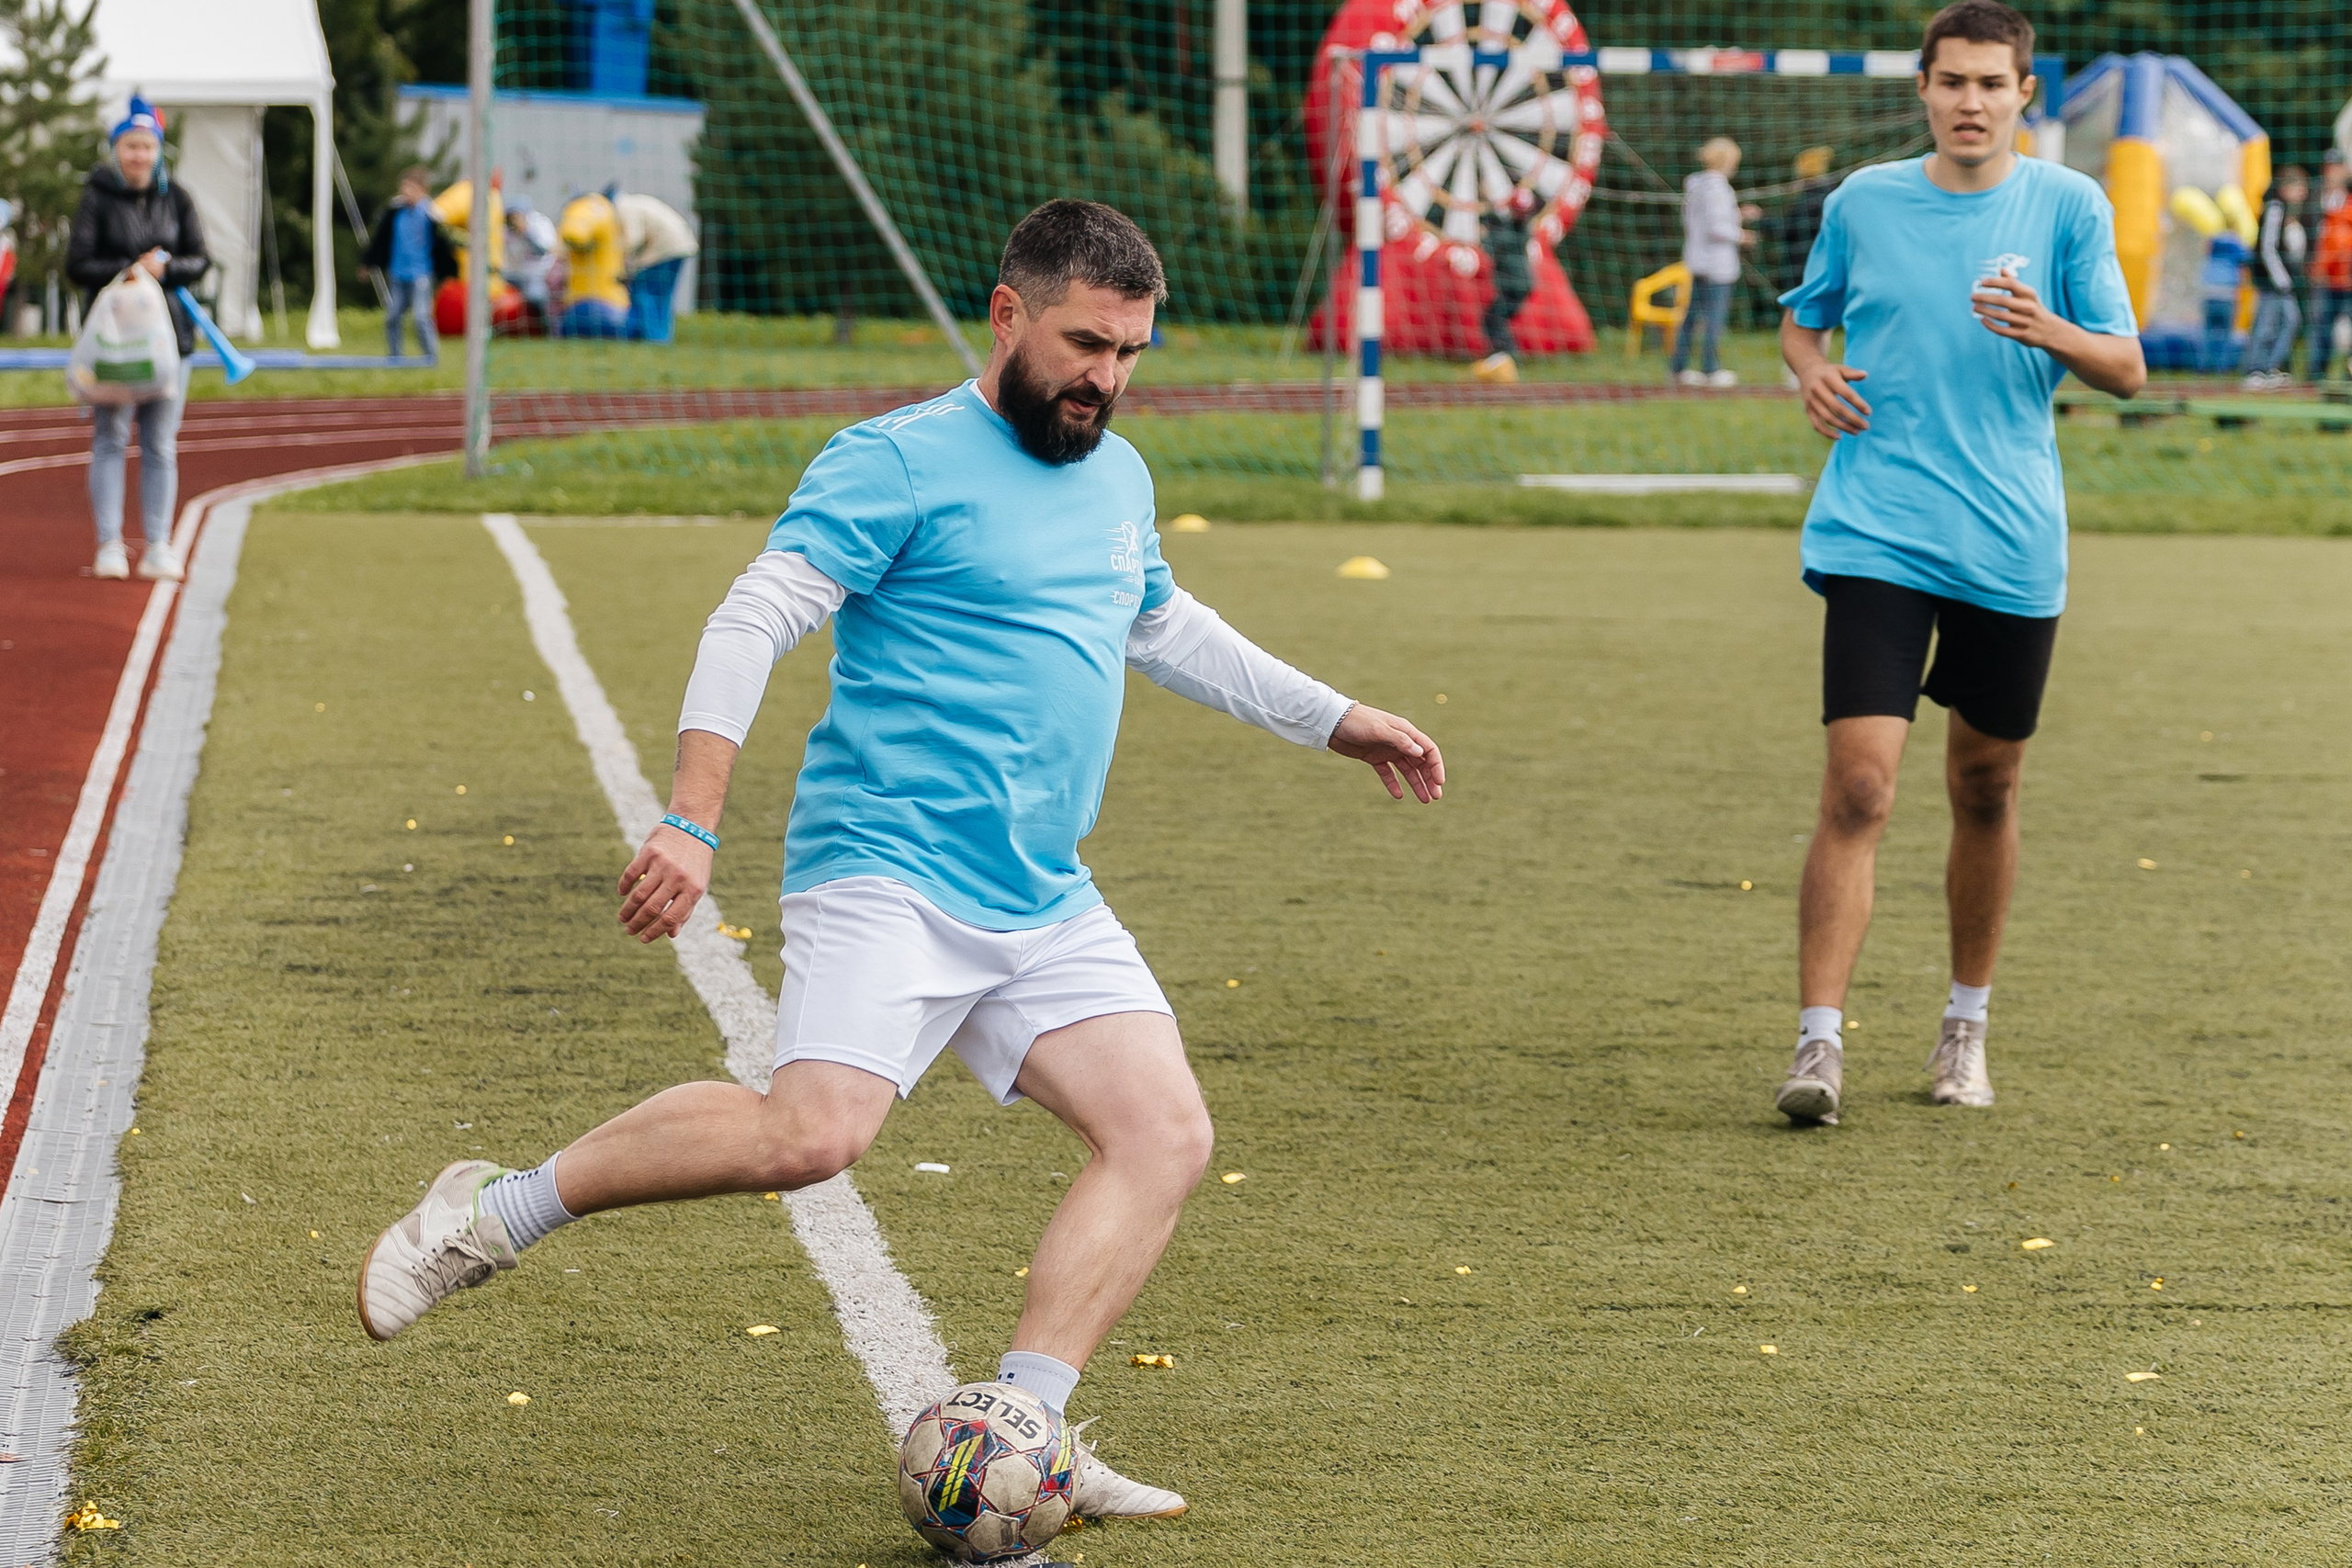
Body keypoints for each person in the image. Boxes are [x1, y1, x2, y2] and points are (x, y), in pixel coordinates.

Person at [355, 199, 1446, 1519]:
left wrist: (1337, 716)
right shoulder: (897, 461)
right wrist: (692, 817)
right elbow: (751, 616)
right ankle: (491, 1209)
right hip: (887, 866)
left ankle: (1028, 1425)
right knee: (810, 1136)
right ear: (1008, 315)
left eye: (1132, 352)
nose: (1107, 376)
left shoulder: (1120, 476)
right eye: (1087, 343)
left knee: (1161, 1132)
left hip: (1040, 888)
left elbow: (1166, 625)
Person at [1774, 0, 2143, 1125]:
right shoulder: (1864, 201)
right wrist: (1808, 372)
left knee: (1984, 786)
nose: (1970, 102)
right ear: (1922, 91)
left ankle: (1963, 1028)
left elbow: (2125, 368)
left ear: (2024, 94)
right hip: (1876, 528)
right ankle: (1817, 1049)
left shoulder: (2069, 207)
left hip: (2008, 539)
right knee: (1861, 785)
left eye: (1992, 83)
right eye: (1952, 82)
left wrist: (2052, 331)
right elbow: (1803, 319)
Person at [65, 96, 209, 583]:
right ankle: (109, 544)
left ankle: (159, 545)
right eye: (130, 145)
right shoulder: (96, 197)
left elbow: (200, 259)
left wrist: (165, 269)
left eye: (147, 146)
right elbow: (77, 264)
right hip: (113, 344)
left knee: (160, 444)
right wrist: (128, 271)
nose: (139, 155)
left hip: (171, 341)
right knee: (109, 437)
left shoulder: (178, 198)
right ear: (116, 148)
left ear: (158, 149)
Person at [1670, 137, 1758, 389]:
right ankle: (1710, 369)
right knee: (1713, 319)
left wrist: (1738, 214)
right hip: (1717, 264)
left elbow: (1702, 218)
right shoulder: (1718, 188)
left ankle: (1678, 367)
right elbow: (1717, 227)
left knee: (1690, 317)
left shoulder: (1695, 185)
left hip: (1696, 259)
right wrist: (1742, 236)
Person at [363, 165, 454, 361]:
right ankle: (395, 356)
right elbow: (381, 240)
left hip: (421, 274)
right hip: (398, 273)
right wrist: (369, 263)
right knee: (393, 316)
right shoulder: (394, 213)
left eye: (411, 188)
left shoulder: (431, 215)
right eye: (403, 188)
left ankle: (430, 356)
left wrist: (450, 268)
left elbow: (444, 243)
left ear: (423, 190)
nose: (406, 193)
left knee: (421, 317)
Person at [2241, 165, 2307, 390]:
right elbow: (2268, 248)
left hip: (2281, 281)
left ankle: (2270, 366)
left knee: (2290, 321)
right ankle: (2255, 369)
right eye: (2299, 187)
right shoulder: (2274, 208)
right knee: (2267, 324)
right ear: (2286, 188)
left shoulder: (2288, 211)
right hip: (2273, 282)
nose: (2303, 193)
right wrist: (2282, 280)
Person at [615, 191, 699, 344]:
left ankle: (652, 338)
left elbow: (633, 240)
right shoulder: (633, 202)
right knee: (662, 296)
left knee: (645, 294)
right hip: (680, 246)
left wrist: (622, 264)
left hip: (664, 250)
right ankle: (662, 337)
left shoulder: (623, 208)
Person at [1472, 187, 1535, 384]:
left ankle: (1508, 356)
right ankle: (1503, 354)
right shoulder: (1521, 229)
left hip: (1514, 286)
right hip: (1521, 285)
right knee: (1495, 319)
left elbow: (1491, 243)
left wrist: (1484, 231)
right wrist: (1488, 203)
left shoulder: (1508, 235)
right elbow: (1500, 224)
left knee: (1493, 320)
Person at [2307, 153, 2352, 384]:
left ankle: (2348, 376)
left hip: (2348, 277)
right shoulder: (2314, 197)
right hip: (2324, 277)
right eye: (2329, 167)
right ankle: (2315, 377)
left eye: (2337, 167)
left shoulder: (2349, 199)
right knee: (2321, 328)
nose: (2333, 171)